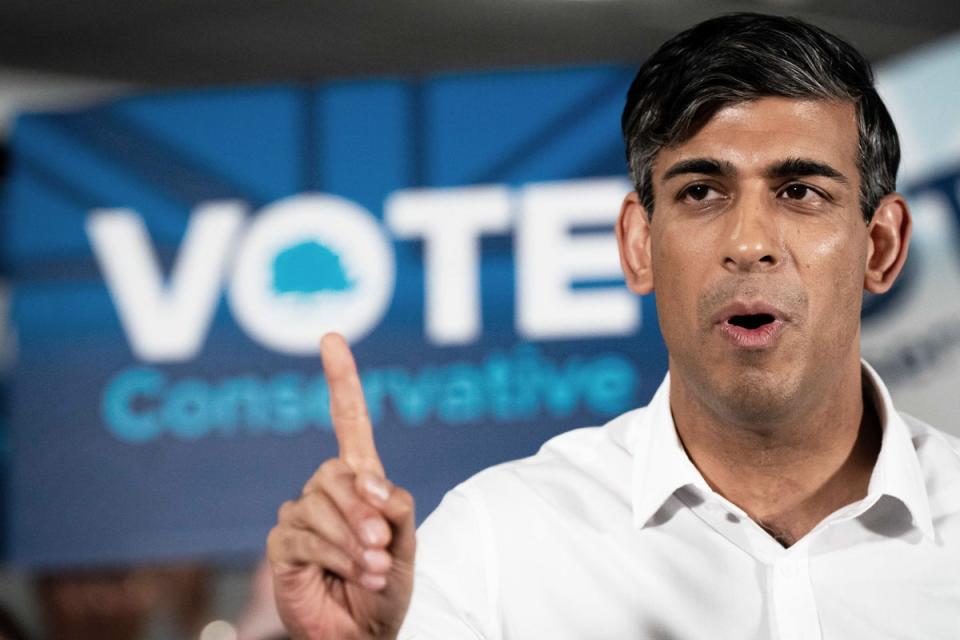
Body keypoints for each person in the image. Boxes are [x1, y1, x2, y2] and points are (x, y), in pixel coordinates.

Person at [266, 12, 960, 639]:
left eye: (800, 191)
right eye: (701, 191)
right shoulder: (494, 543)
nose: (749, 242)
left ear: (882, 246)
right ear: (636, 245)